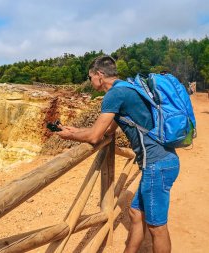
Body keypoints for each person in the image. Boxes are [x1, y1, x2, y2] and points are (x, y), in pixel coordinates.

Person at [56, 55, 179, 253]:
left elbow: (96, 136)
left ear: (99, 75)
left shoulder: (114, 94)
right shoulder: (126, 87)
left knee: (157, 227)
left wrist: (70, 138)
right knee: (136, 213)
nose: (90, 81)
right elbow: (109, 129)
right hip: (160, 162)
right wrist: (75, 131)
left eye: (90, 77)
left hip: (158, 164)